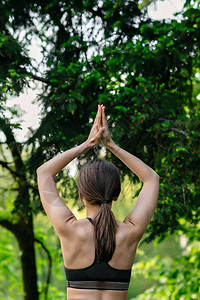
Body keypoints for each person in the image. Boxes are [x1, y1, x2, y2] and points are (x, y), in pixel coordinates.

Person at [37, 104, 160, 300]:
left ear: (81, 195)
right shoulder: (131, 231)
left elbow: (44, 172)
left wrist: (87, 144)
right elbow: (151, 178)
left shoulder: (69, 230)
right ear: (116, 195)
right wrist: (111, 144)